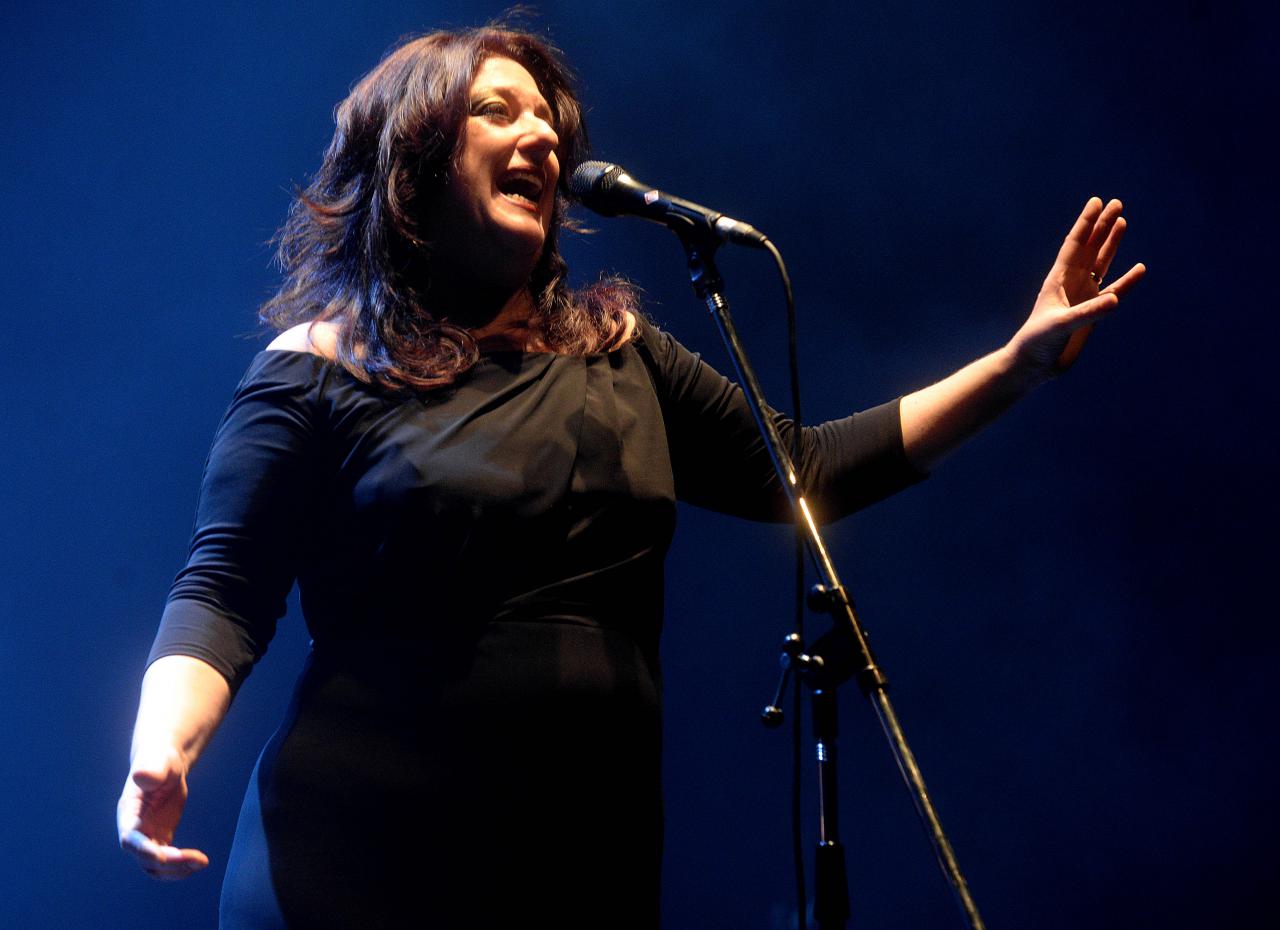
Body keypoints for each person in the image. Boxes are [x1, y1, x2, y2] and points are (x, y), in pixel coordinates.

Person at [116, 23, 1144, 930]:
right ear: (416, 160)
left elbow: (805, 469)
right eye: (497, 111)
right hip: (360, 865)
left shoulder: (618, 353)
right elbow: (224, 590)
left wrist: (1014, 367)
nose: (542, 137)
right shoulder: (324, 367)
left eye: (549, 121)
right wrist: (161, 752)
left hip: (577, 863)